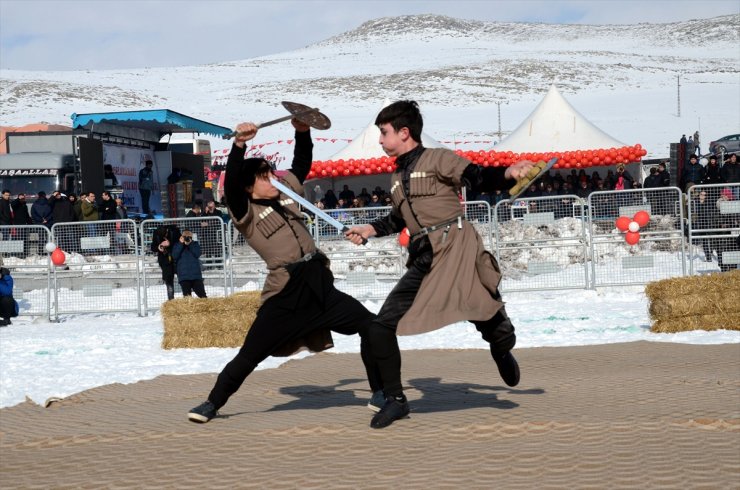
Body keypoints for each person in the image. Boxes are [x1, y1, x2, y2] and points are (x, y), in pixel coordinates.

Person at [345, 100, 535, 429]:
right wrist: (369, 230)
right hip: (424, 255)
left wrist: (508, 173)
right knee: (380, 326)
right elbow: (397, 219)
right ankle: (396, 400)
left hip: (456, 247)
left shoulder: (439, 158)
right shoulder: (395, 176)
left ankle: (501, 349)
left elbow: (477, 177)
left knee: (487, 317)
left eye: (384, 132)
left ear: (404, 133)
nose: (380, 139)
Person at [187, 118, 382, 424]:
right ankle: (212, 403)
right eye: (264, 176)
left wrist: (302, 129)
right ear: (250, 186)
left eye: (270, 173)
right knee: (250, 355)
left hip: (319, 287)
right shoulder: (243, 210)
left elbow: (302, 161)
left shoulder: (287, 190)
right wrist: (240, 144)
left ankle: (380, 391)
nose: (272, 179)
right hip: (285, 294)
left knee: (373, 327)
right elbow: (235, 180)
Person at [171, 229, 207, 298]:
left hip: (196, 276)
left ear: (191, 238)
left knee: (203, 296)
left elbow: (197, 254)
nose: (187, 238)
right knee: (187, 298)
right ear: (182, 237)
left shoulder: (195, 244)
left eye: (189, 237)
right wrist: (181, 243)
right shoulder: (177, 245)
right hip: (184, 276)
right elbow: (174, 256)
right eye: (185, 237)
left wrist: (190, 244)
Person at [151, 224, 180, 300]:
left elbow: (180, 243)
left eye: (165, 235)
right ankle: (171, 300)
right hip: (164, 260)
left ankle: (187, 297)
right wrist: (159, 246)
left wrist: (170, 243)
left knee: (183, 278)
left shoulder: (174, 231)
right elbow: (153, 247)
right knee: (169, 279)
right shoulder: (156, 233)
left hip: (176, 258)